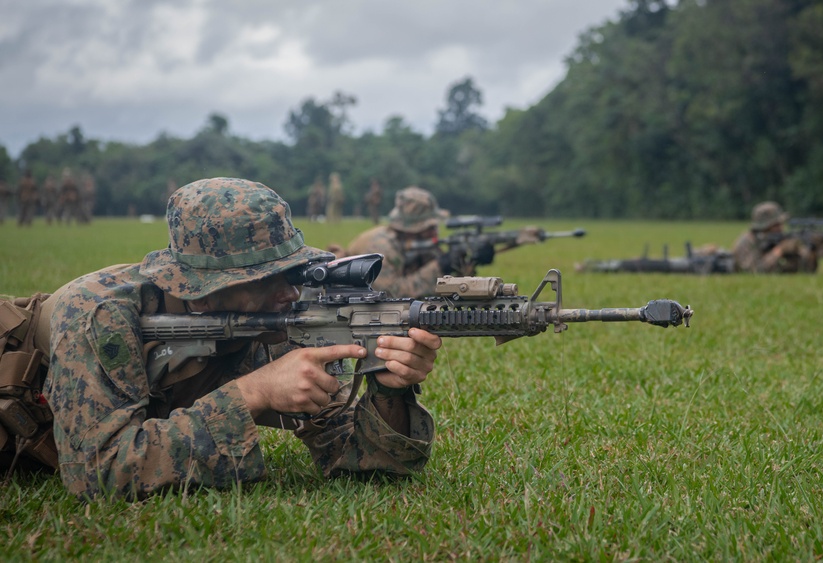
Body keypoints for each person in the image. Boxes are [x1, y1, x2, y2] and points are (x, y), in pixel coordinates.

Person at [41, 177, 442, 500]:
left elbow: (358, 456)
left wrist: (388, 391)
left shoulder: (274, 323)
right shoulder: (97, 313)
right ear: (202, 289)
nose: (288, 292)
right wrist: (252, 394)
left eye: (293, 272)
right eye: (266, 279)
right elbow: (98, 473)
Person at [343, 186, 494, 298]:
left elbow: (449, 286)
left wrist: (469, 261)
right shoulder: (380, 246)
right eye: (429, 226)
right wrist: (441, 266)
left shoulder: (419, 243)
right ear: (413, 229)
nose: (435, 230)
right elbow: (392, 294)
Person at [732, 201, 817, 274]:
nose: (781, 228)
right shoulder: (746, 242)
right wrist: (778, 251)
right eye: (776, 225)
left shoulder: (779, 239)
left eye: (781, 224)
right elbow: (754, 271)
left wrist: (809, 251)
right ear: (764, 227)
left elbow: (805, 268)